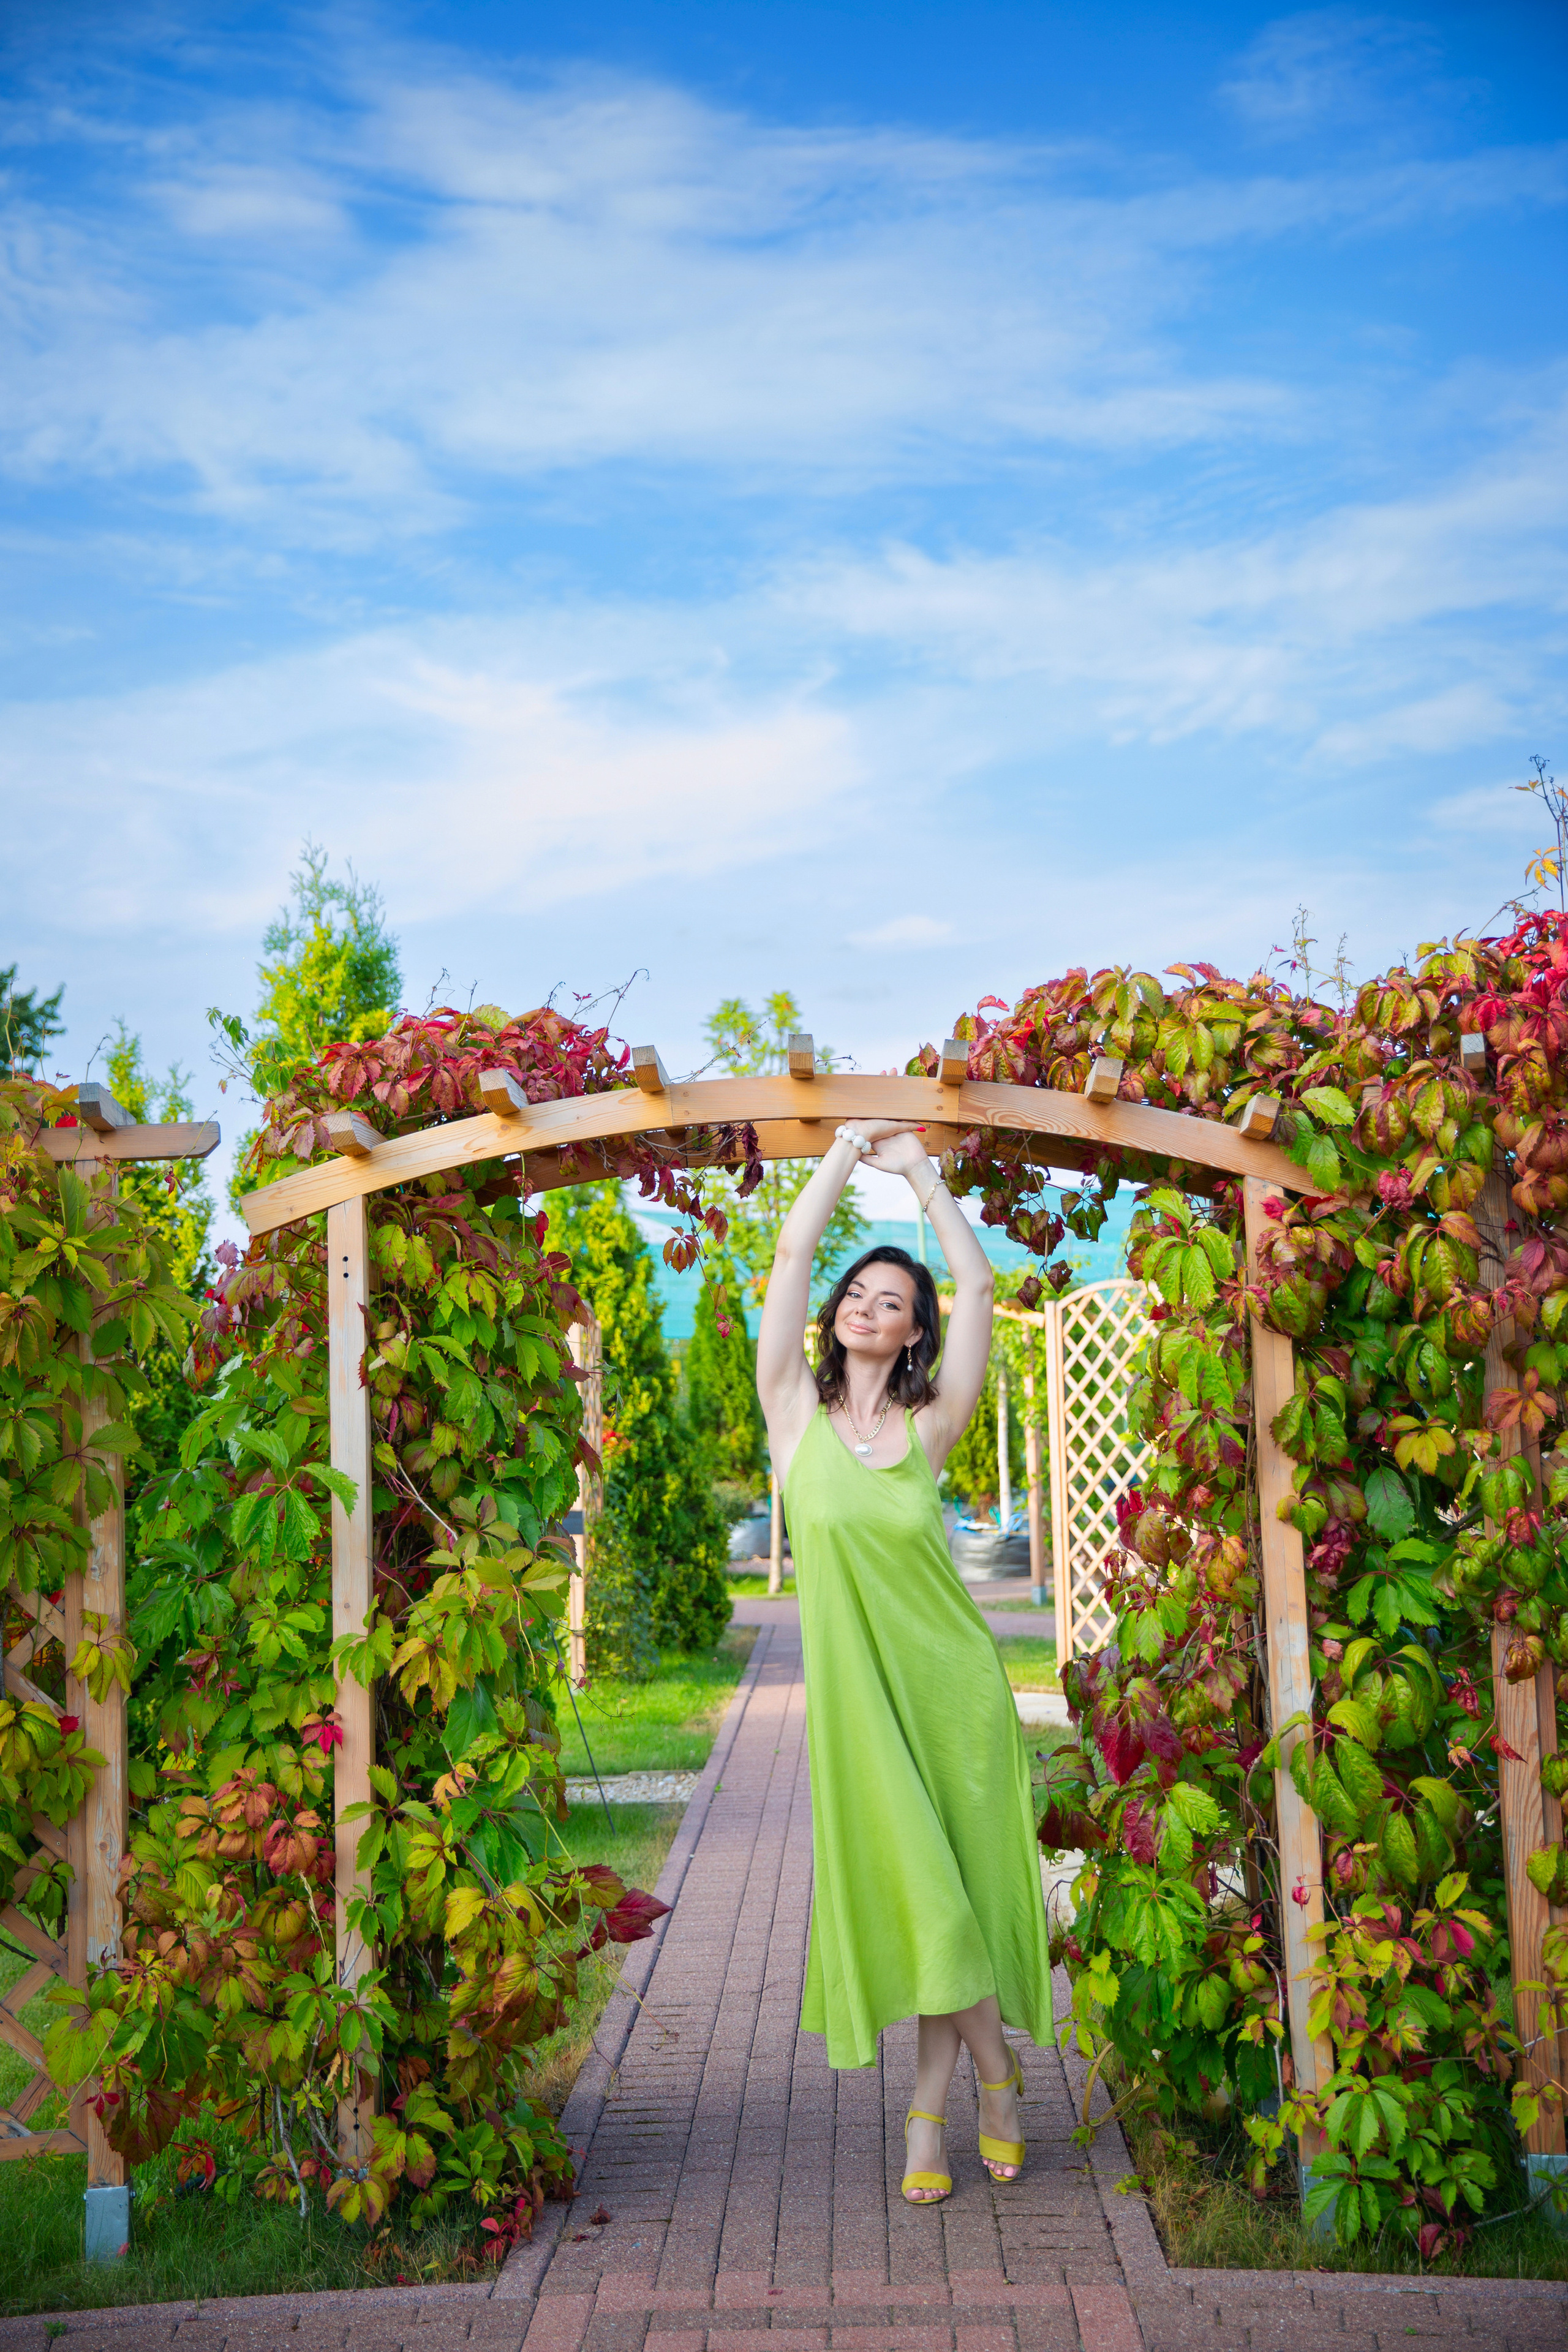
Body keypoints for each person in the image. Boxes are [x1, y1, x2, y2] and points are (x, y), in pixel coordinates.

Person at [755, 1118, 1053, 2207]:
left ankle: (932, 2116)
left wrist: (923, 1176)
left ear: (914, 1331)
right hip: (856, 1706)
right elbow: (790, 1261)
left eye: (892, 1300)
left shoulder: (932, 1427)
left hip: (952, 1692)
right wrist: (838, 1156)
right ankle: (995, 2077)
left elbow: (976, 1287)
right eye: (857, 1294)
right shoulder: (793, 1415)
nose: (865, 1307)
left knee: (956, 1896)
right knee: (930, 1900)